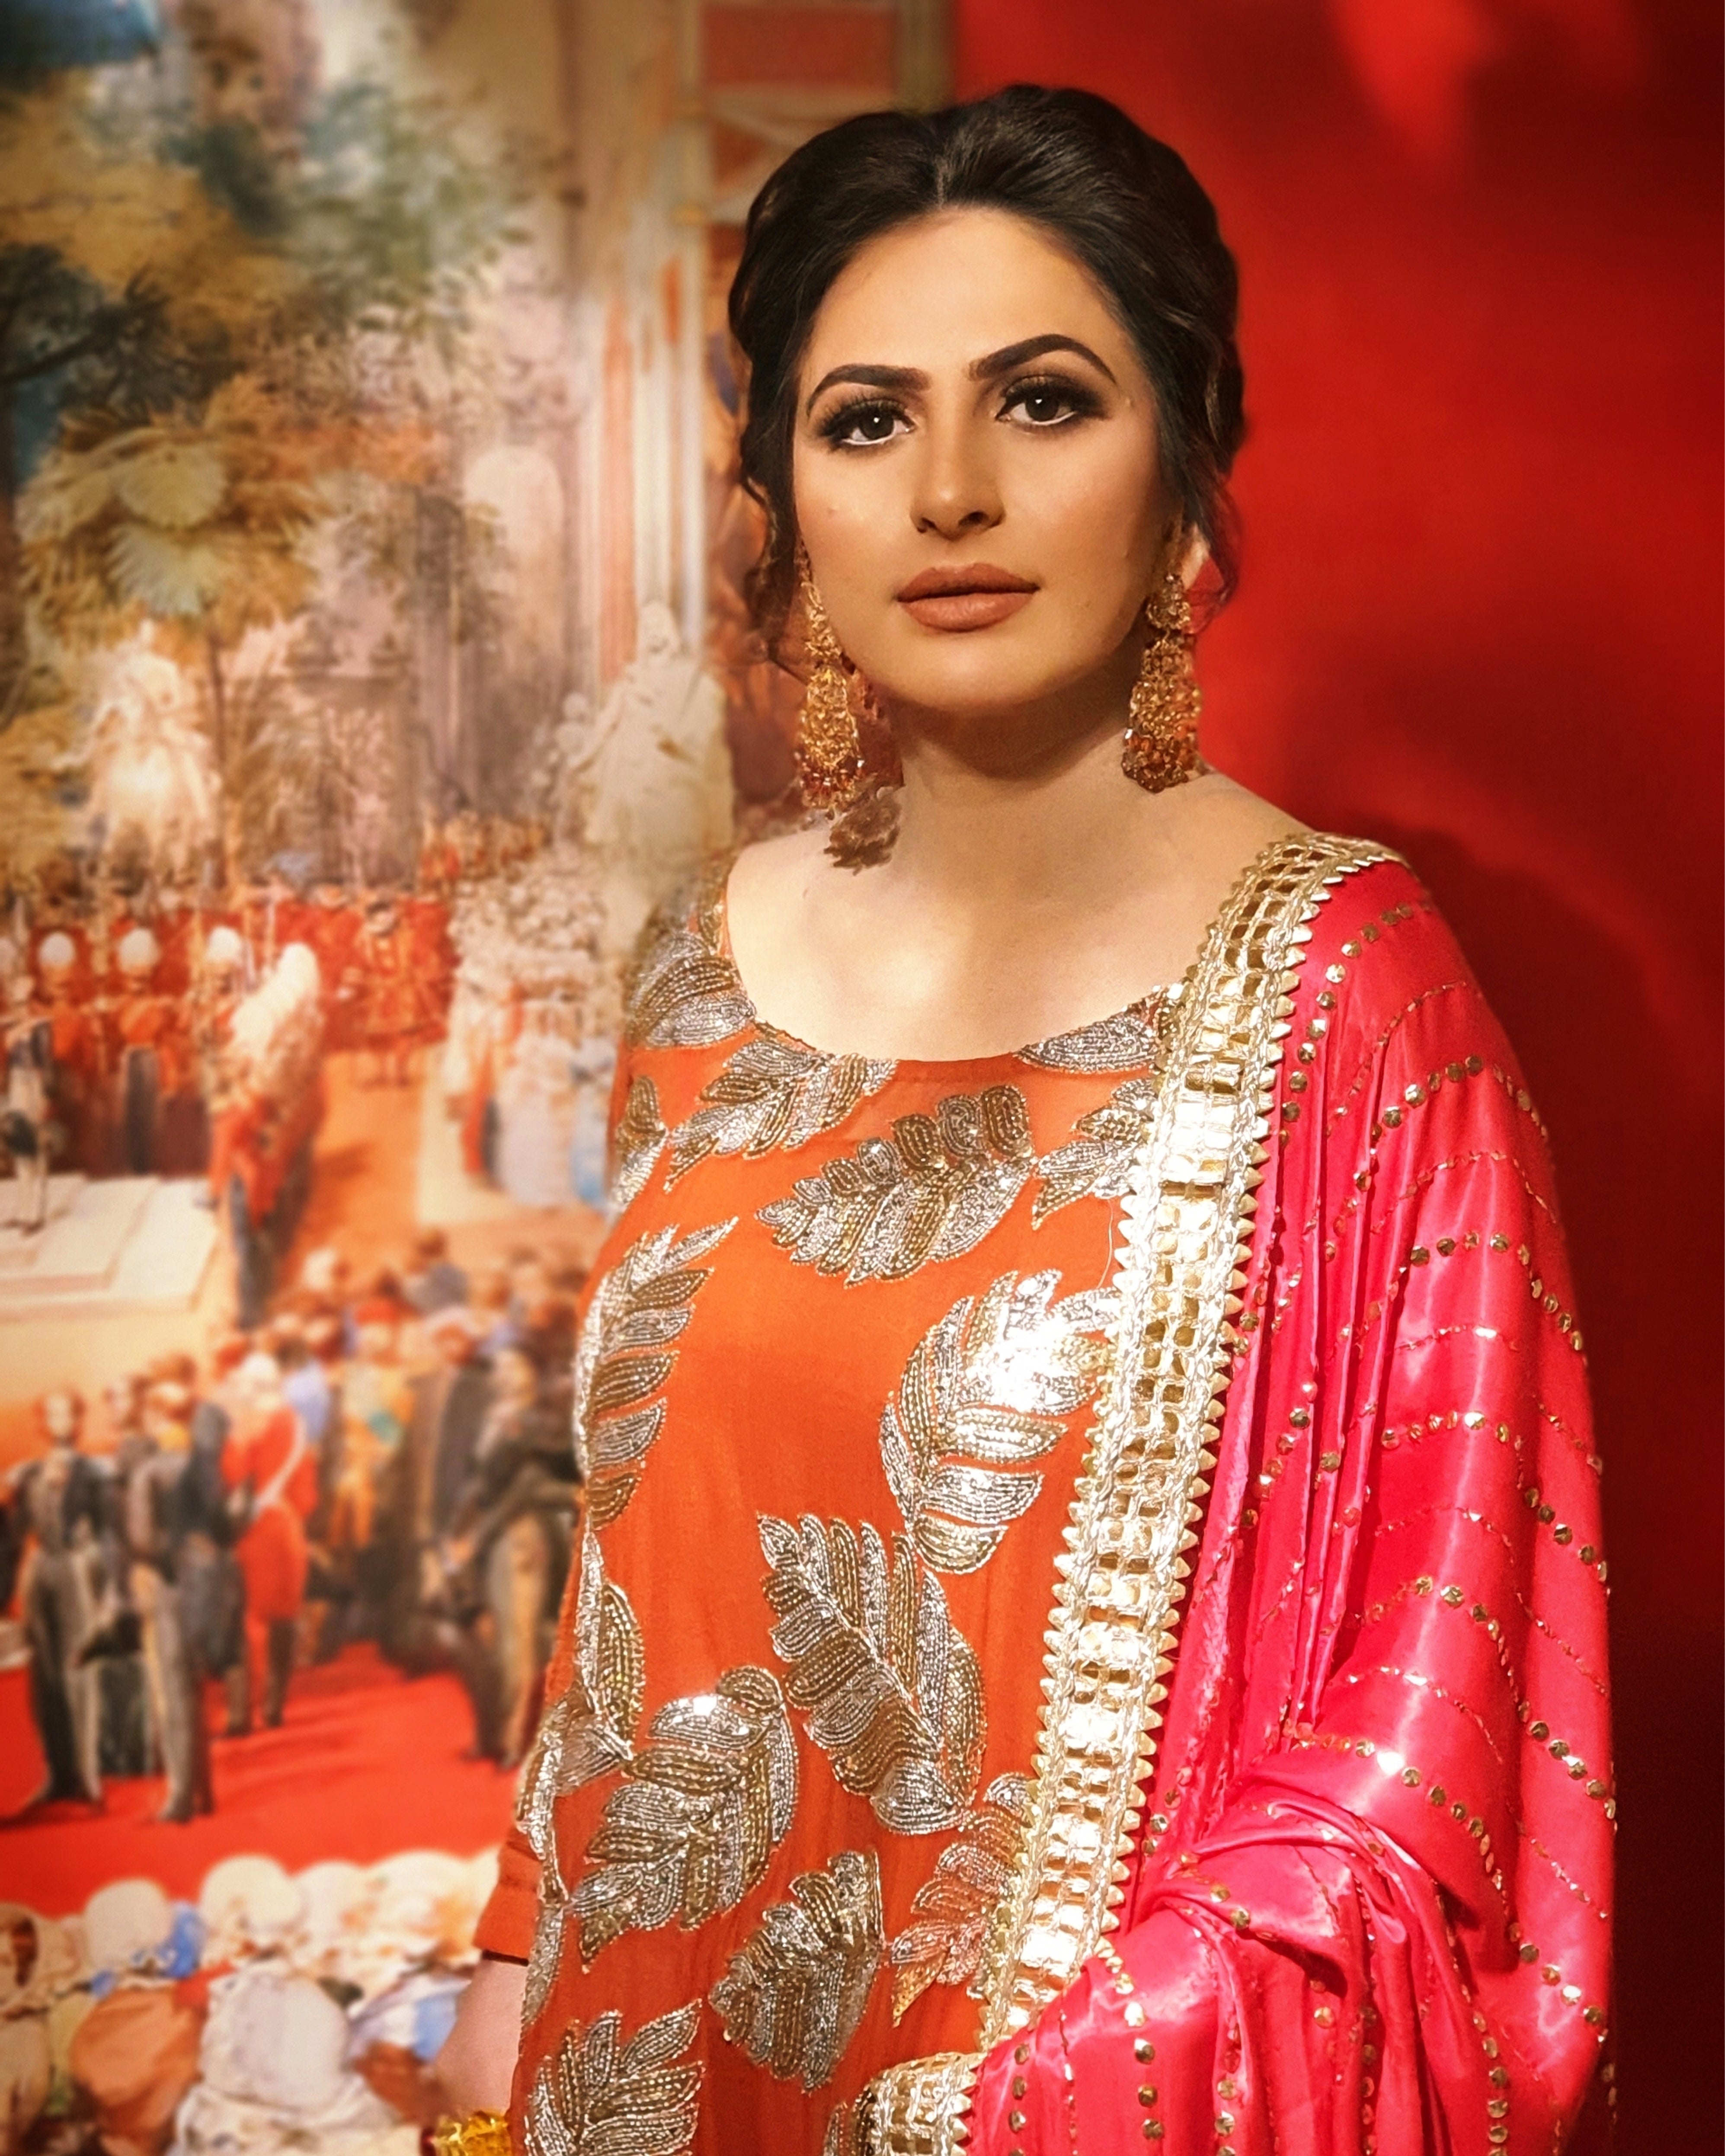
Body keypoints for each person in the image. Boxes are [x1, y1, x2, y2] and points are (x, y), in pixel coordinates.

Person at [435, 88, 1610, 2156]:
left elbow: (1424, 1764)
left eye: (1042, 401)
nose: (949, 490)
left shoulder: (1354, 1002)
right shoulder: (700, 966)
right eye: (864, 420)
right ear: (784, 498)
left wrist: (1014, 2104)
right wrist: (512, 1968)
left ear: (1185, 462)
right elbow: (638, 1571)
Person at [0, 1391, 106, 1806]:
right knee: (44, 1678)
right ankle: (56, 1776)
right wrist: (3, 1599)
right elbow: (11, 1542)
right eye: (51, 1413)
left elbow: (108, 1534)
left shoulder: (93, 1473)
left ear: (78, 1420)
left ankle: (88, 1775)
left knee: (79, 1669)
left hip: (75, 1568)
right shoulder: (26, 1475)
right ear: (43, 1422)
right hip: (38, 1571)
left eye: (66, 1412)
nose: (59, 1420)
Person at [221, 1352, 318, 1731]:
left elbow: (231, 1475)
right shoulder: (296, 1425)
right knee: (283, 1619)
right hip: (286, 1529)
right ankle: (274, 1705)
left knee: (242, 1622)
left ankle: (240, 1711)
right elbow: (307, 1495)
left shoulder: (244, 1427)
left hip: (249, 1533)